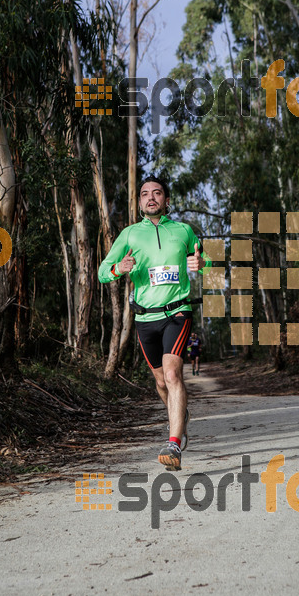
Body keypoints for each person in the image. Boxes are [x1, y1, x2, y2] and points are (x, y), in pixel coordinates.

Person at [98, 177, 211, 471]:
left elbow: (204, 258)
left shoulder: (183, 231)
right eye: (145, 194)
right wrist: (117, 268)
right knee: (160, 381)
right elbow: (101, 272)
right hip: (145, 317)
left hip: (177, 312)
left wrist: (201, 263)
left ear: (167, 200)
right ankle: (180, 414)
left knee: (173, 376)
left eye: (157, 193)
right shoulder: (130, 235)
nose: (151, 198)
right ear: (139, 203)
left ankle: (173, 443)